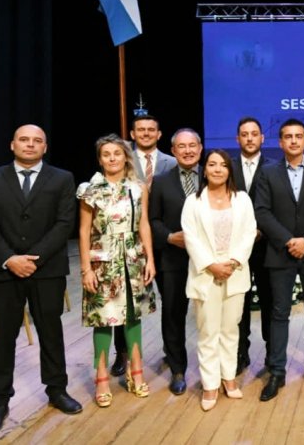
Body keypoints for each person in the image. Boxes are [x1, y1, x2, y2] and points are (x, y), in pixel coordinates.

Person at [0, 124, 82, 436]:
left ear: (45, 148)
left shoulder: (62, 178)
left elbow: (65, 223)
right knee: (3, 337)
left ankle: (56, 390)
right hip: (4, 270)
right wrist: (10, 259)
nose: (30, 145)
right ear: (12, 145)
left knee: (51, 332)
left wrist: (32, 259)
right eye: (24, 139)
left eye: (37, 141)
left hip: (46, 270)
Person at [255, 119, 304, 401]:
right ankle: (277, 371)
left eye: (298, 136)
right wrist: (289, 241)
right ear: (280, 142)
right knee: (279, 314)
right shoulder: (268, 173)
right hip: (280, 253)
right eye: (288, 137)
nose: (293, 141)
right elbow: (262, 211)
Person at [78, 134, 157, 408]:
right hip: (102, 261)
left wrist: (150, 259)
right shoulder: (90, 189)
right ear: (100, 159)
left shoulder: (138, 187)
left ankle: (136, 373)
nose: (112, 158)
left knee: (133, 316)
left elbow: (144, 223)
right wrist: (86, 268)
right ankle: (101, 378)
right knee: (103, 318)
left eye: (117, 153)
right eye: (106, 154)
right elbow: (84, 230)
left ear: (126, 157)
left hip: (133, 258)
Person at [182, 149, 256, 410]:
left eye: (222, 165)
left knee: (230, 329)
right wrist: (212, 265)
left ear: (229, 170)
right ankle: (210, 384)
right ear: (204, 170)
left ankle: (229, 378)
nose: (217, 169)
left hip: (235, 273)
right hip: (206, 275)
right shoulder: (193, 201)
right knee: (208, 332)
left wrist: (233, 261)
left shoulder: (242, 200)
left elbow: (249, 233)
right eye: (212, 164)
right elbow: (190, 237)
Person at [113, 114, 175, 377]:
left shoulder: (173, 162)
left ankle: (172, 352)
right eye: (141, 130)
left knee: (171, 303)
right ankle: (122, 354)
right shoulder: (120, 161)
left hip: (166, 242)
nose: (147, 133)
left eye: (152, 129)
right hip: (129, 243)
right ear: (132, 133)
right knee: (123, 303)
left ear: (159, 134)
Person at [148, 128, 203, 395]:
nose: (188, 150)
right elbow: (152, 220)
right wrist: (169, 237)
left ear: (200, 148)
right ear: (173, 151)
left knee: (212, 315)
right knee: (173, 315)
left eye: (192, 145)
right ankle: (178, 368)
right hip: (173, 259)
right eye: (182, 146)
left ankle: (215, 368)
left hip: (209, 261)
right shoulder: (160, 181)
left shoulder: (216, 174)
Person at [231, 117, 275, 375]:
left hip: (267, 246)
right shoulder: (226, 167)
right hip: (236, 249)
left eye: (254, 134)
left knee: (270, 302)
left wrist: (260, 230)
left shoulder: (274, 167)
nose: (249, 138)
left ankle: (272, 353)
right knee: (239, 303)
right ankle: (240, 353)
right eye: (244, 134)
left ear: (262, 138)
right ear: (238, 139)